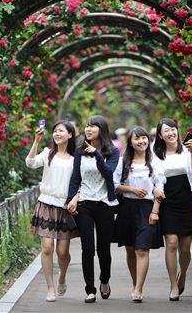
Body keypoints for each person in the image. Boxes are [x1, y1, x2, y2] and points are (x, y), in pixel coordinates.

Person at [66, 115, 120, 303]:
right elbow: (75, 177)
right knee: (87, 249)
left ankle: (104, 280)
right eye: (87, 126)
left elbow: (109, 174)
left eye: (93, 126)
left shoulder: (112, 151)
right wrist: (70, 199)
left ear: (102, 129)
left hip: (105, 204)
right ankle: (90, 289)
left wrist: (96, 154)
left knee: (103, 249)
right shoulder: (80, 151)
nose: (88, 129)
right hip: (85, 204)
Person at [27, 120, 79, 302]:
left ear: (70, 135)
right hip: (46, 204)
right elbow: (30, 163)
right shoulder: (48, 153)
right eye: (55, 131)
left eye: (61, 131)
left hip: (65, 208)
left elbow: (82, 181)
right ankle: (50, 288)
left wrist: (76, 199)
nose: (57, 134)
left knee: (62, 252)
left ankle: (62, 277)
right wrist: (36, 141)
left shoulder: (76, 158)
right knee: (47, 247)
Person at [112, 126, 165, 303]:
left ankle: (139, 288)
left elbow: (159, 188)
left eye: (144, 138)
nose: (141, 141)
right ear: (130, 142)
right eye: (137, 138)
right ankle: (135, 283)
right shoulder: (123, 161)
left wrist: (155, 211)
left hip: (147, 208)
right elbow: (113, 185)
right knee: (130, 249)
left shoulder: (155, 161)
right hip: (127, 207)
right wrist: (132, 189)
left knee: (142, 248)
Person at [152, 118, 192, 301]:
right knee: (171, 243)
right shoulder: (156, 155)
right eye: (166, 131)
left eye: (173, 129)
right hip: (167, 202)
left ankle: (184, 273)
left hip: (186, 200)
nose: (171, 133)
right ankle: (173, 284)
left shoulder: (186, 150)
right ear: (160, 135)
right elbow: (154, 178)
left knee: (185, 248)